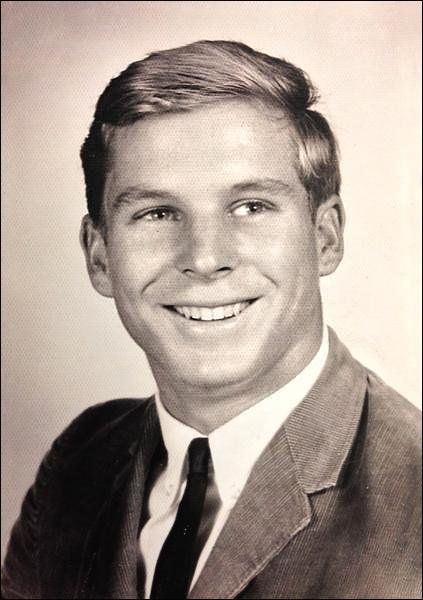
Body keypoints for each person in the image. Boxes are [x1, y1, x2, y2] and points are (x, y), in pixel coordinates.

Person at [2, 40, 421, 600]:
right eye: (156, 212)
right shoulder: (79, 464)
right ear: (99, 255)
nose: (203, 258)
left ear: (326, 236)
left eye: (250, 206)